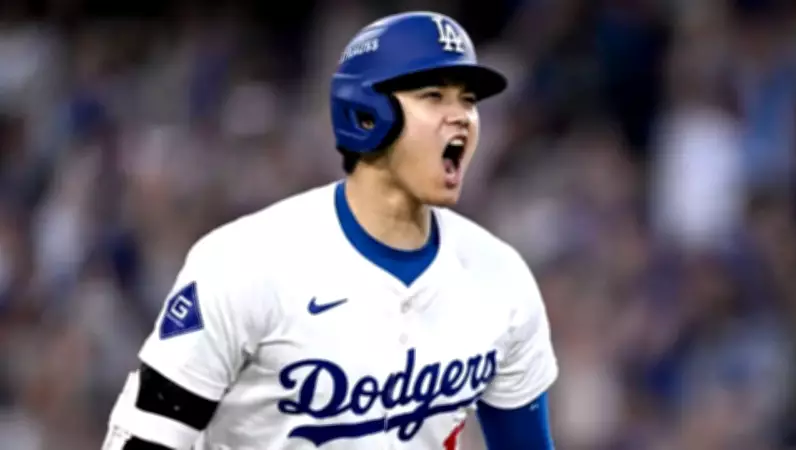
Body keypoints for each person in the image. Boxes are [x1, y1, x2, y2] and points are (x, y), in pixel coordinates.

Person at [103, 11, 558, 450]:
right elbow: (143, 440)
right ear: (366, 114)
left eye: (468, 100)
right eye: (434, 96)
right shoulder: (243, 263)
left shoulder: (502, 277)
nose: (460, 116)